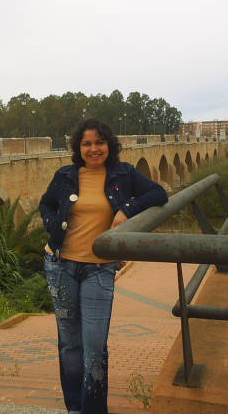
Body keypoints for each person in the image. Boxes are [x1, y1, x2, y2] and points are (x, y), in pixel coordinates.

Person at [39, 118, 167, 414]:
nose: (93, 149)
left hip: (99, 269)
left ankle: (94, 409)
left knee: (95, 346)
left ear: (109, 145)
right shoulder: (65, 175)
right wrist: (53, 225)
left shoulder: (124, 173)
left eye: (99, 142)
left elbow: (159, 194)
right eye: (87, 143)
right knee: (70, 344)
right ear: (78, 147)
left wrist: (126, 210)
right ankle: (75, 407)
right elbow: (45, 204)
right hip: (60, 265)